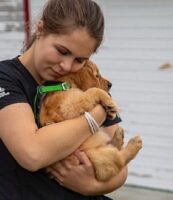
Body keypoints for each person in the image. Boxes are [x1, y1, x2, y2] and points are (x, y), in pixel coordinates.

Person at [0, 0, 127, 199]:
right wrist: (96, 115)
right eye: (62, 51)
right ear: (41, 29)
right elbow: (32, 154)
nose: (66, 66)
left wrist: (90, 187)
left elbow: (121, 168)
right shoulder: (6, 77)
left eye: (80, 59)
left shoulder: (88, 80)